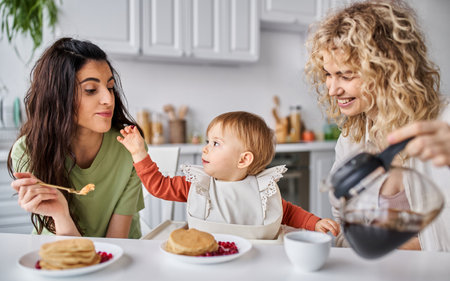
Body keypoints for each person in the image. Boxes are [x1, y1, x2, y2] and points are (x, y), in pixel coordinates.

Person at [305, 0, 450, 251]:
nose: (332, 89)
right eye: (328, 74)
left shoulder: (443, 123)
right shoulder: (352, 136)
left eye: (346, 75)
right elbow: (343, 223)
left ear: (387, 69)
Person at [117, 111, 340, 239]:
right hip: (208, 259)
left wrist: (314, 223)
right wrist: (138, 152)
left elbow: (288, 212)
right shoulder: (197, 185)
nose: (205, 148)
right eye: (207, 142)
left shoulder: (262, 189)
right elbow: (158, 186)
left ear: (243, 160)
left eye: (215, 143)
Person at [8, 37, 145, 238]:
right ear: (58, 96)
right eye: (91, 90)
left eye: (110, 87)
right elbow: (70, 254)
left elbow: (117, 244)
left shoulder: (130, 145)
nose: (108, 99)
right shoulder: (28, 150)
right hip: (59, 251)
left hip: (119, 255)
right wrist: (60, 213)